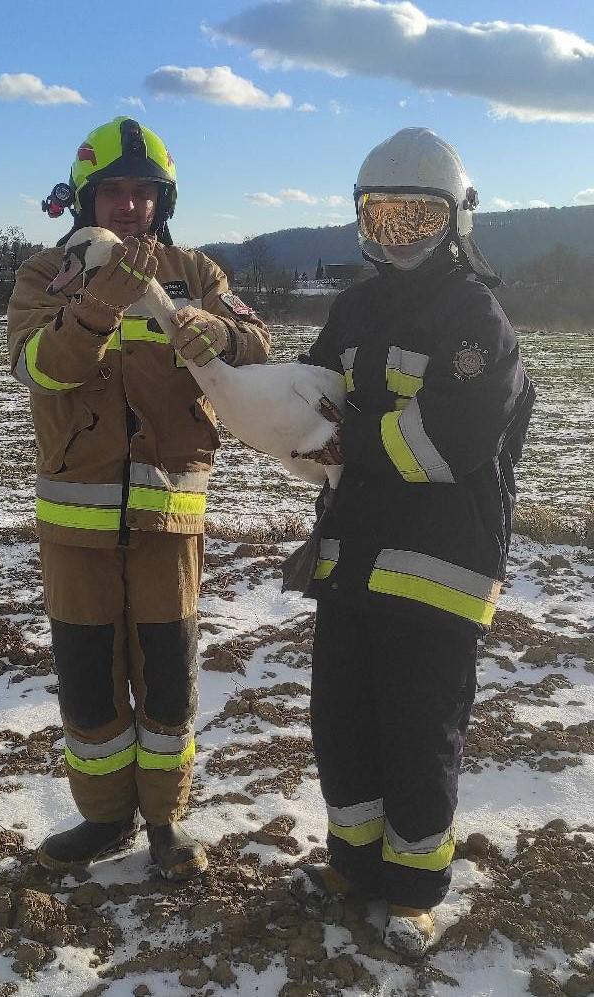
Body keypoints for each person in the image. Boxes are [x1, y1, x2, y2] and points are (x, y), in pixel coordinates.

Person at [291, 128, 534, 956]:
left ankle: (416, 889)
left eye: (416, 218)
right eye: (381, 217)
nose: (396, 234)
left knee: (419, 733)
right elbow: (313, 392)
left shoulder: (477, 319)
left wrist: (343, 441)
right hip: (352, 561)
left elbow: (445, 443)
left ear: (456, 220)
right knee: (343, 722)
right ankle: (352, 866)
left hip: (437, 574)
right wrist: (241, 375)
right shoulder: (355, 307)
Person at [7, 117, 270, 879]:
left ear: (163, 200)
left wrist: (219, 334)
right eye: (113, 192)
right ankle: (102, 819)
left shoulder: (197, 272)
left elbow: (257, 344)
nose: (128, 207)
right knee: (89, 683)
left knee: (168, 677)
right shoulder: (44, 275)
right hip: (75, 525)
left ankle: (166, 821)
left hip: (170, 520)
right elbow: (37, 368)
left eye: (142, 192)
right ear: (86, 199)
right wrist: (94, 310)